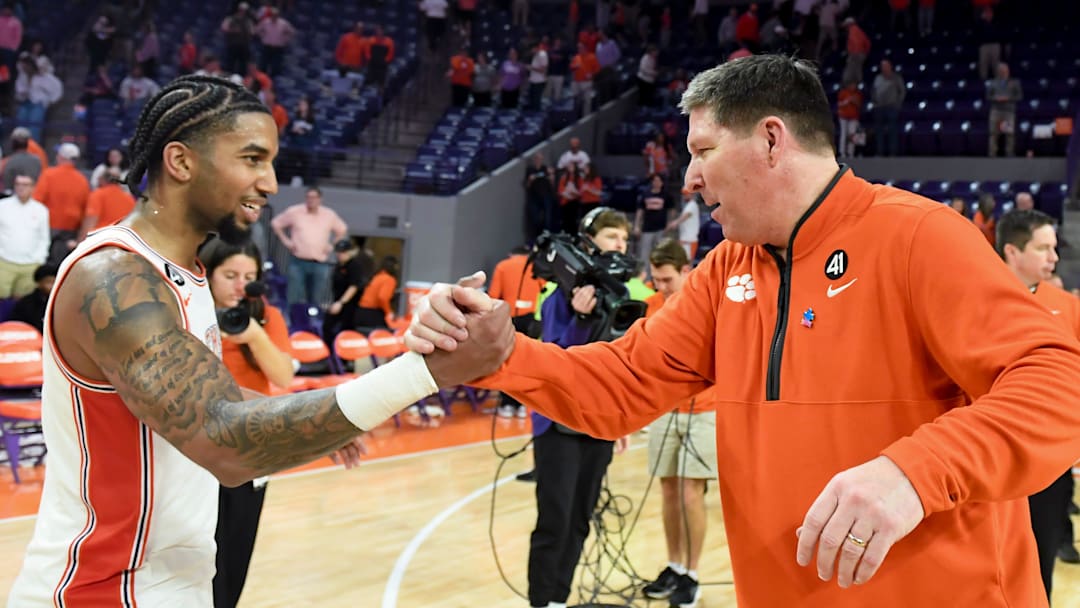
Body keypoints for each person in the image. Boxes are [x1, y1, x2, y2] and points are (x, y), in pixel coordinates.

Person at [407, 55, 1080, 607]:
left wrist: (915, 472)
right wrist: (502, 358)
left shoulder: (920, 236)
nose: (690, 177)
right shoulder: (727, 269)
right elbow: (621, 384)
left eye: (702, 149)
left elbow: (1059, 385)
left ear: (770, 138)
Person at [6, 74, 506, 607]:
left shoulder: (184, 274)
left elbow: (202, 392)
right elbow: (226, 442)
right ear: (180, 162)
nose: (269, 182)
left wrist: (315, 418)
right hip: (102, 592)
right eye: (252, 159)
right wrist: (424, 372)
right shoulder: (114, 278)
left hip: (169, 584)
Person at [522, 208, 636, 608]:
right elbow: (557, 357)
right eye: (611, 237)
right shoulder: (557, 299)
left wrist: (621, 420)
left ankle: (558, 599)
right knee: (555, 521)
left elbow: (618, 365)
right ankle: (541, 601)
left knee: (580, 522)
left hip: (599, 422)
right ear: (590, 241)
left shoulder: (620, 297)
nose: (619, 245)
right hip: (556, 424)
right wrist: (581, 319)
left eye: (623, 239)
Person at [202, 239, 294, 608]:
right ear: (207, 274)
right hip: (195, 451)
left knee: (234, 555)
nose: (240, 285)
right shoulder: (191, 311)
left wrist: (253, 335)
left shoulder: (266, 315)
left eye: (249, 276)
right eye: (230, 275)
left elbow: (284, 376)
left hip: (248, 451)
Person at [994, 209, 1078, 601]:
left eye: (1055, 248)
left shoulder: (1067, 307)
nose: (1053, 258)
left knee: (1040, 558)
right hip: (989, 458)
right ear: (1012, 250)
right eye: (1043, 248)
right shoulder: (976, 296)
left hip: (1047, 462)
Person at [639, 239, 717, 608]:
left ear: (686, 271)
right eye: (656, 279)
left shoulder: (707, 304)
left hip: (705, 410)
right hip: (663, 410)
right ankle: (673, 565)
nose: (661, 287)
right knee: (669, 489)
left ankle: (692, 573)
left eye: (667, 279)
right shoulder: (653, 306)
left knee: (690, 492)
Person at [488, 245, 546, 418]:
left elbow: (493, 295)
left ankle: (507, 404)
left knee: (507, 362)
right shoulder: (537, 267)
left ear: (511, 254)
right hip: (533, 320)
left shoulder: (503, 266)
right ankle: (523, 405)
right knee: (527, 362)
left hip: (510, 318)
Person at [270, 186, 348, 307]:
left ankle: (313, 324)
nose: (311, 200)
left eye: (314, 197)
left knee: (316, 298)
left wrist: (332, 245)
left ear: (320, 199)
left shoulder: (328, 214)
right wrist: (286, 241)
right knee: (294, 297)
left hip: (320, 262)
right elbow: (276, 223)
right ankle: (293, 322)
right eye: (308, 197)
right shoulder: (295, 211)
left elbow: (342, 229)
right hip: (298, 261)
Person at [0, 173, 49, 298]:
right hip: (4, 262)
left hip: (30, 264)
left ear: (33, 187)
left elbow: (44, 238)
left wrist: (39, 259)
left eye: (25, 185)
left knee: (21, 301)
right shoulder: (3, 206)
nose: (21, 188)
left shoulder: (41, 210)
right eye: (18, 184)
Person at [323, 237, 373, 347]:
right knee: (328, 327)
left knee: (346, 330)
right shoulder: (339, 266)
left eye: (343, 252)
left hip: (349, 305)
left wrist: (341, 302)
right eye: (338, 252)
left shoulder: (354, 266)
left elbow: (353, 286)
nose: (340, 255)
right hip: (337, 301)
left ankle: (345, 359)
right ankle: (330, 356)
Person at [9, 263, 56, 333]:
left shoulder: (62, 302)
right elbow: (16, 325)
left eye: (55, 282)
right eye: (49, 282)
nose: (53, 286)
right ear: (39, 283)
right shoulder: (26, 303)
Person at [355, 255, 399, 329]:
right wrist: (389, 312)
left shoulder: (376, 276)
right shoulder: (389, 279)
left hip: (361, 312)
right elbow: (383, 297)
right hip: (372, 314)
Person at [666, 189, 701, 260]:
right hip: (685, 239)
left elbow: (686, 216)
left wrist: (675, 223)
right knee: (683, 262)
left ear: (691, 195)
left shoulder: (692, 204)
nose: (684, 196)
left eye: (686, 194)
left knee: (686, 263)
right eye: (684, 194)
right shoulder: (688, 205)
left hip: (689, 240)